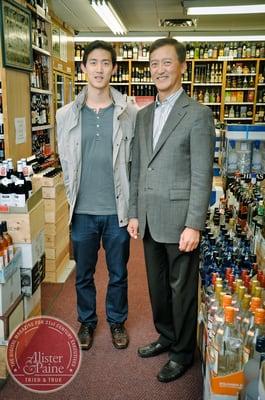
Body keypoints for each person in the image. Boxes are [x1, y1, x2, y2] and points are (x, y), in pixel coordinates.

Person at [128, 38, 215, 382]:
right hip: (149, 218)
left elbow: (202, 173)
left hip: (180, 221)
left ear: (181, 66)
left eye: (166, 63)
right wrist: (135, 212)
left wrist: (194, 223)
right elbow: (138, 167)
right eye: (154, 63)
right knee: (157, 286)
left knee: (181, 290)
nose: (159, 69)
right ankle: (166, 335)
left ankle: (182, 352)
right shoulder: (144, 114)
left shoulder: (197, 114)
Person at [56, 40, 137, 351]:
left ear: (113, 68)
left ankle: (117, 321)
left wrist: (133, 210)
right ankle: (87, 321)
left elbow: (134, 162)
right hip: (82, 211)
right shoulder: (66, 115)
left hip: (117, 209)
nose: (99, 68)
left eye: (106, 63)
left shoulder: (128, 112)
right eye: (93, 62)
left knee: (118, 273)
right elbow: (66, 161)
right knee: (84, 274)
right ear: (84, 67)